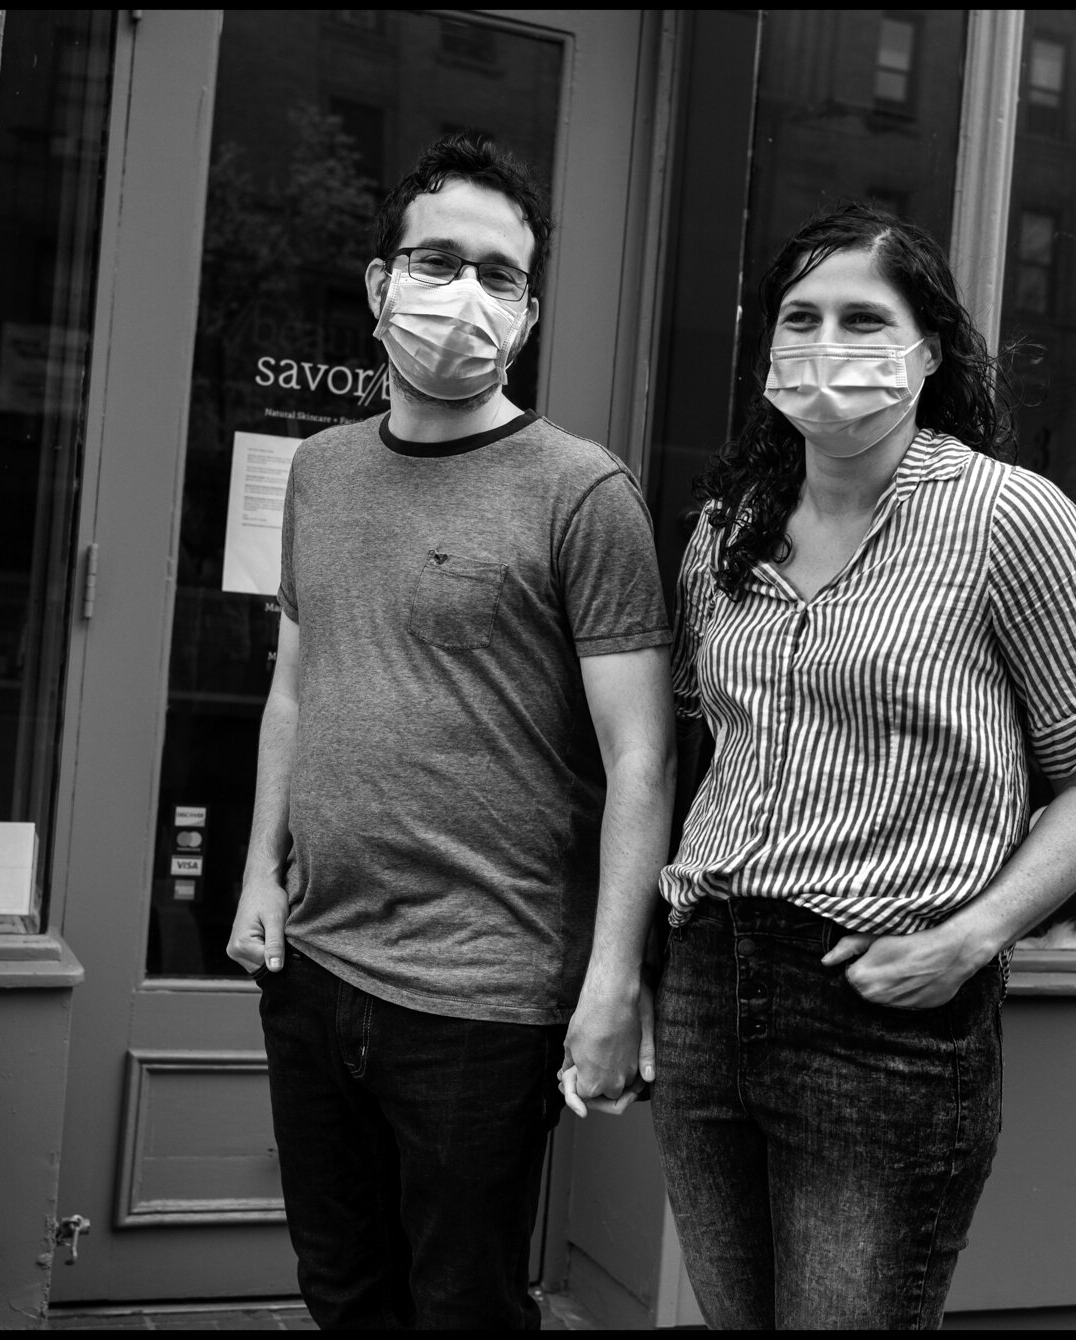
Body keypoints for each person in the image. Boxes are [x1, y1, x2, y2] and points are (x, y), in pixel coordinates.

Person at [652, 203, 1076, 1330]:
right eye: (800, 316)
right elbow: (706, 752)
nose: (827, 343)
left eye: (862, 317)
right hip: (709, 982)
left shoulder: (1011, 520)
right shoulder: (725, 529)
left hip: (880, 1009)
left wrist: (968, 939)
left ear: (928, 349)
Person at [226, 132, 674, 1330]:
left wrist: (611, 983)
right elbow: (295, 678)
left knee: (464, 1307)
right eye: (437, 260)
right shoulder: (319, 470)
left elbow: (641, 755)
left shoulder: (582, 491)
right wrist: (258, 872)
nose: (464, 296)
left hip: (480, 996)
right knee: (343, 1293)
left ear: (526, 313)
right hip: (315, 967)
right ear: (380, 285)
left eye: (499, 274)